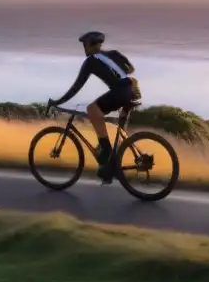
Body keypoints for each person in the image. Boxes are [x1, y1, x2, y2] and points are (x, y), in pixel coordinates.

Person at [47, 31, 141, 182]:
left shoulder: (90, 61)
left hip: (120, 91)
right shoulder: (113, 53)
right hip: (130, 89)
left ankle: (106, 152)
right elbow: (130, 69)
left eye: (85, 45)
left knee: (92, 109)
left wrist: (57, 102)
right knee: (118, 130)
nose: (84, 49)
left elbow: (76, 87)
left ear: (91, 44)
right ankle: (110, 167)